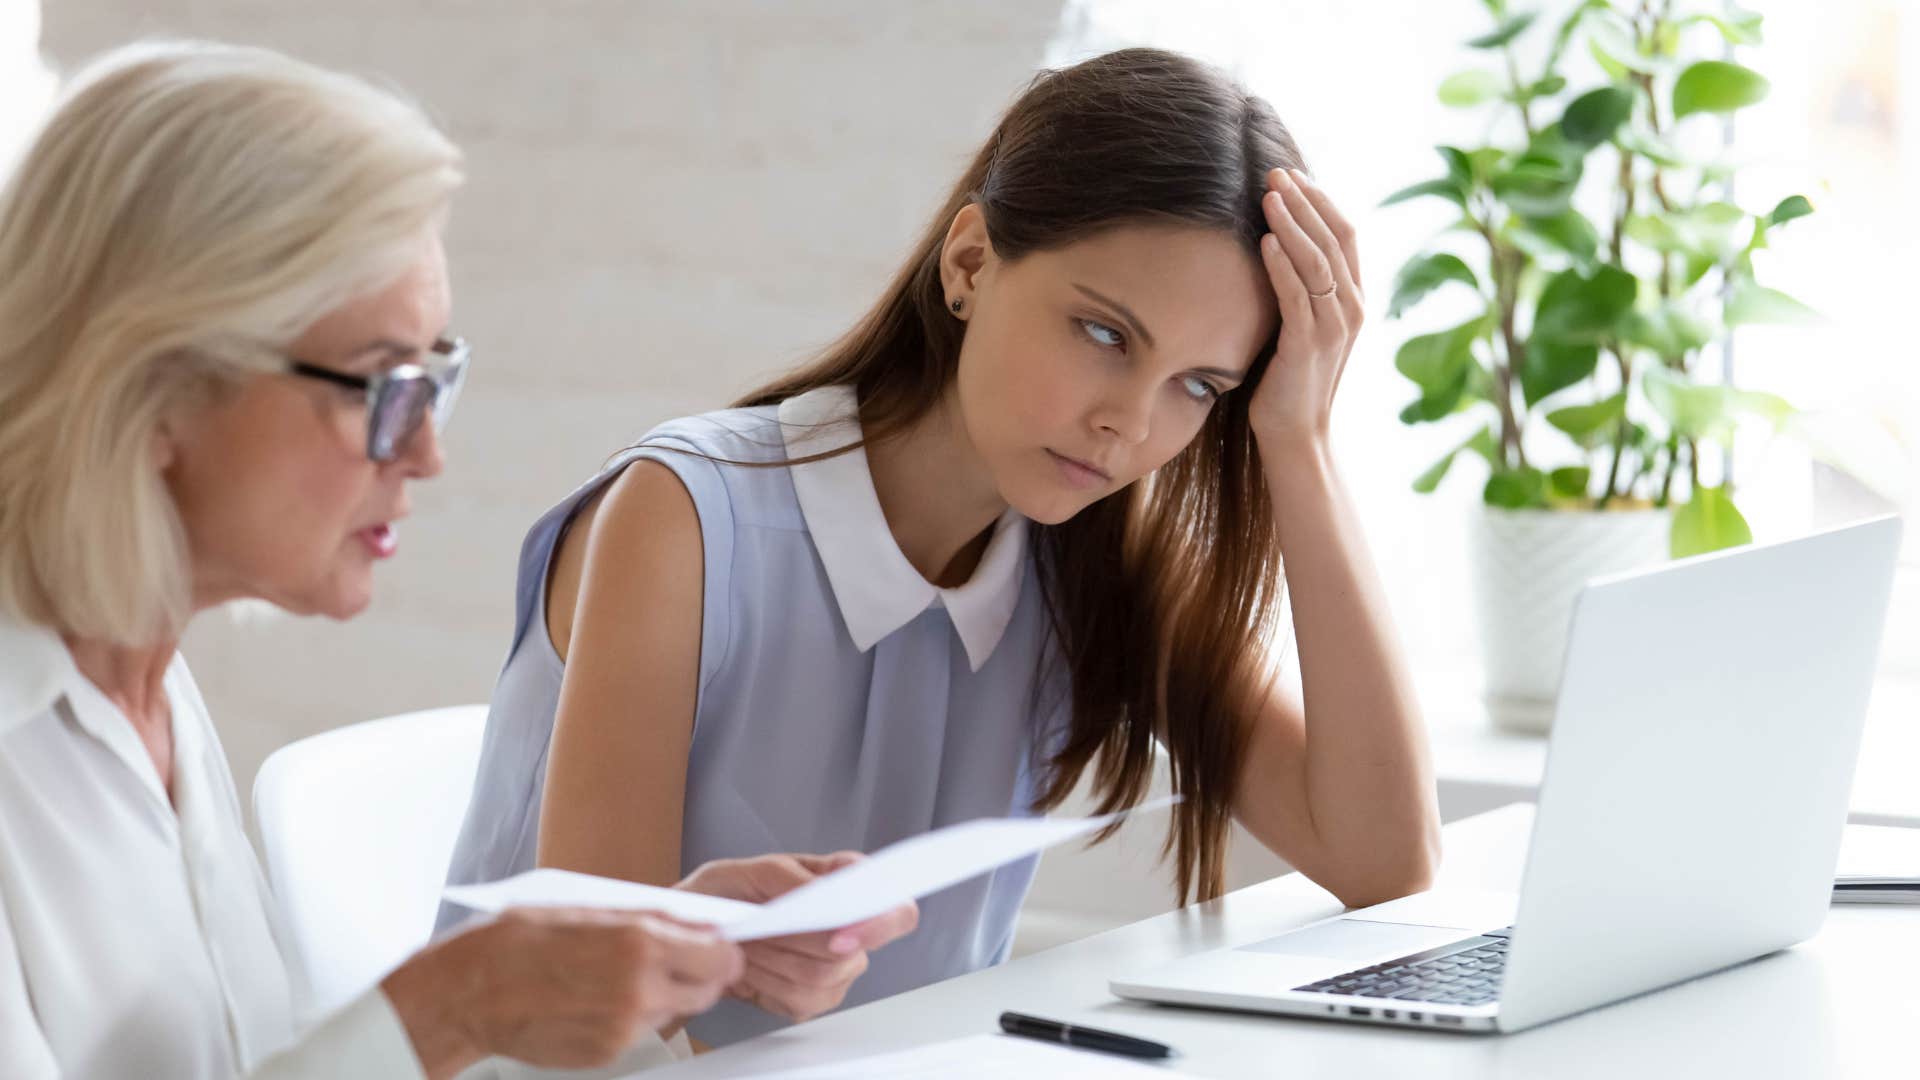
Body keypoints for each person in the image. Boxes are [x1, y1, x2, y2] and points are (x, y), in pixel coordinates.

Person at [445, 46, 1443, 1047]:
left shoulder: (1099, 560)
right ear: (970, 264)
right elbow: (598, 1040)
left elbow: (1383, 863)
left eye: (1199, 385)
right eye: (1104, 334)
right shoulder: (683, 520)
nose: (1130, 424)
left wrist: (1299, 439)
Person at [0, 41, 910, 1080]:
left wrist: (629, 970)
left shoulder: (150, 694)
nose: (428, 453)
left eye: (435, 379)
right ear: (155, 386)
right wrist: (449, 1009)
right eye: (384, 385)